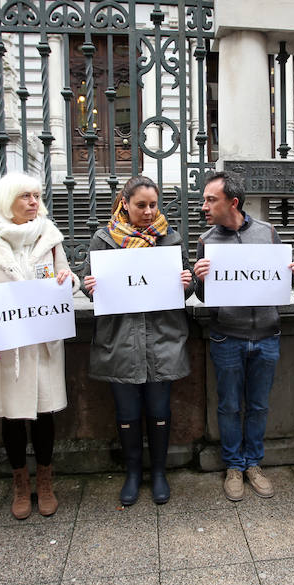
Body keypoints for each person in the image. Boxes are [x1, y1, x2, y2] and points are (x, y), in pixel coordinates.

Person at [0, 171, 79, 520]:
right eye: (26, 196)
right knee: (12, 418)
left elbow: (67, 277)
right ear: (8, 198)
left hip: (41, 343)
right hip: (7, 346)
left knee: (44, 414)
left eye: (36, 195)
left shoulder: (49, 235)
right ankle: (19, 483)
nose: (34, 202)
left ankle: (45, 481)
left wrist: (66, 279)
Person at [193, 170, 294, 501]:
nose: (204, 206)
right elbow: (203, 296)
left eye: (210, 200)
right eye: (204, 200)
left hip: (268, 334)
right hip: (227, 336)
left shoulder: (267, 233)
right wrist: (200, 280)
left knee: (258, 405)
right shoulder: (206, 242)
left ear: (234, 202)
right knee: (229, 405)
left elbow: (279, 282)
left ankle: (253, 463)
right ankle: (233, 466)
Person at [81, 176, 194, 506]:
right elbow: (89, 283)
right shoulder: (104, 240)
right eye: (140, 205)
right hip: (120, 341)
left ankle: (158, 472)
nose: (148, 211)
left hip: (162, 340)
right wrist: (90, 285)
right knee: (127, 411)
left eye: (153, 205)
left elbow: (185, 288)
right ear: (125, 204)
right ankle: (133, 473)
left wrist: (187, 282)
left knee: (159, 409)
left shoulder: (170, 240)